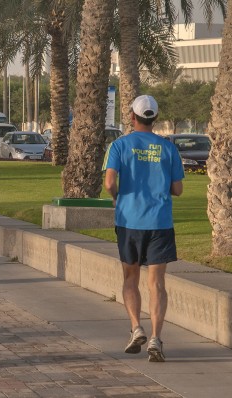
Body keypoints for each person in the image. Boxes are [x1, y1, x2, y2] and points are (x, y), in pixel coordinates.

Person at [103, 95, 184, 362]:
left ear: (132, 116)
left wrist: (117, 197)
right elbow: (178, 189)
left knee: (130, 279)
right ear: (154, 119)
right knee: (157, 284)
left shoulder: (119, 145)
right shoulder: (168, 148)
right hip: (160, 222)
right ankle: (155, 338)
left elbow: (108, 182)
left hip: (129, 221)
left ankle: (136, 327)